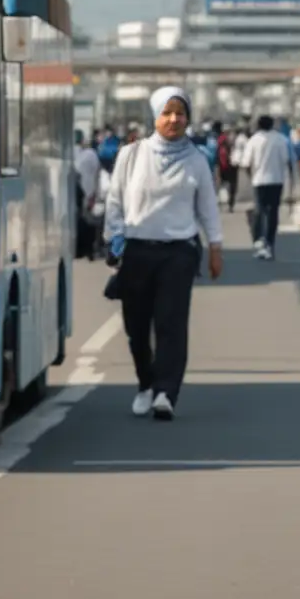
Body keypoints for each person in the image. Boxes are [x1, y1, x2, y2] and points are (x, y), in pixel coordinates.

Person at [104, 86, 224, 420]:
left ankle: (166, 393)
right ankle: (146, 384)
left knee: (171, 324)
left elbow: (208, 208)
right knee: (137, 327)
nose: (174, 119)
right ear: (154, 117)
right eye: (167, 113)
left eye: (180, 113)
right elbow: (114, 202)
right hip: (138, 250)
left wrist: (215, 246)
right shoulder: (132, 155)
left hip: (179, 253)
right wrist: (113, 239)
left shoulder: (197, 160)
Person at [241, 113, 296, 260]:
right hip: (276, 180)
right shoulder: (280, 139)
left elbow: (246, 163)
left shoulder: (253, 140)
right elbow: (286, 161)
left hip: (259, 181)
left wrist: (251, 176)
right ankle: (270, 242)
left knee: (259, 210)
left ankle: (259, 240)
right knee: (273, 212)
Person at [74, 130, 101, 259]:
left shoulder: (72, 153)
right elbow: (96, 174)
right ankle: (89, 249)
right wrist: (94, 193)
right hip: (87, 192)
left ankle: (81, 248)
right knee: (88, 221)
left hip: (75, 193)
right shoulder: (91, 154)